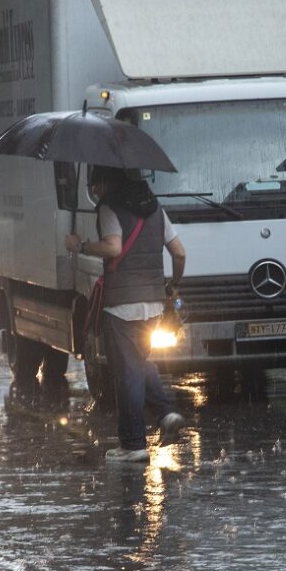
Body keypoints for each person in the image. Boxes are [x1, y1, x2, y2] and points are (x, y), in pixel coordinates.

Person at [65, 165, 188, 462]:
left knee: (127, 372)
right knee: (139, 363)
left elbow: (113, 247)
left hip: (121, 303)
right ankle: (165, 413)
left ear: (105, 182)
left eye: (95, 184)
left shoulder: (110, 207)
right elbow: (179, 252)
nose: (94, 191)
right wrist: (173, 284)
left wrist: (80, 245)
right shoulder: (154, 206)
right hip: (153, 303)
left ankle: (133, 444)